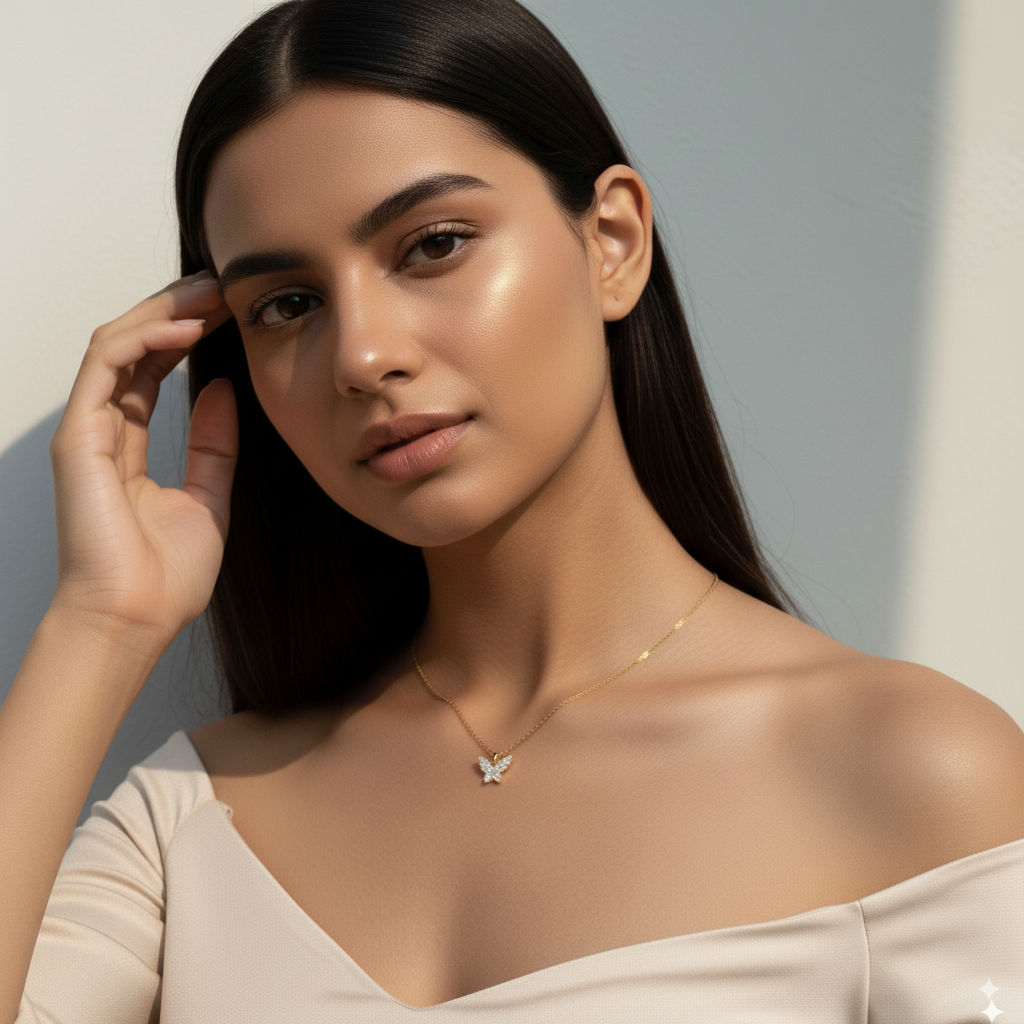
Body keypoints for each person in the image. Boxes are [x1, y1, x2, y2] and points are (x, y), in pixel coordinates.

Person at [2, 0, 1022, 1019]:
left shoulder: (907, 768)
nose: (363, 355)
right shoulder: (191, 820)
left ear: (612, 242)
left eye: (433, 244)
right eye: (288, 304)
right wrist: (101, 624)